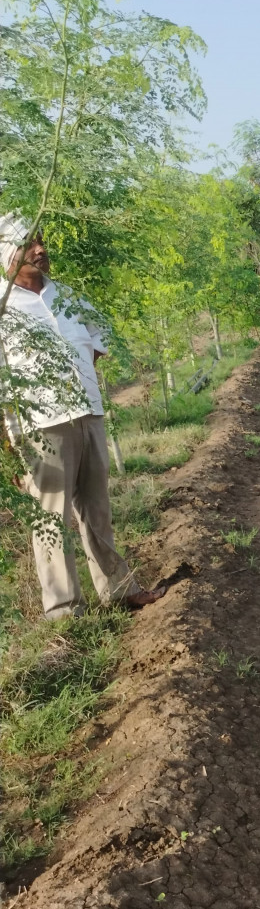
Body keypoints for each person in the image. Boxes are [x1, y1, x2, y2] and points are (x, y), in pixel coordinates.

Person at [0, 215, 164, 619]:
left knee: (97, 509)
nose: (41, 250)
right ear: (7, 254)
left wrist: (78, 373)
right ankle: (64, 609)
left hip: (87, 413)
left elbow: (98, 336)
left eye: (42, 241)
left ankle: (120, 590)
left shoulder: (69, 295)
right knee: (51, 520)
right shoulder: (3, 307)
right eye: (29, 244)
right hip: (41, 426)